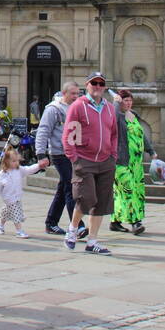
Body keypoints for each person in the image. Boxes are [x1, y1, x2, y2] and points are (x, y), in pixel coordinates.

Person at [61, 72, 119, 255]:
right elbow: (68, 134)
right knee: (86, 198)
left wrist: (113, 155)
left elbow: (114, 134)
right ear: (87, 85)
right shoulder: (78, 106)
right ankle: (72, 229)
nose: (97, 86)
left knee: (101, 203)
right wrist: (74, 158)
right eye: (94, 83)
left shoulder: (109, 108)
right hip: (84, 160)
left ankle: (92, 241)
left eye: (101, 83)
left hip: (105, 161)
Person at [36, 80, 85, 237]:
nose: (76, 96)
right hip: (59, 154)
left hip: (74, 154)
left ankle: (51, 223)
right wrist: (41, 154)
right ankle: (78, 226)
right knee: (71, 187)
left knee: (63, 189)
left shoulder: (77, 108)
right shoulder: (53, 109)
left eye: (78, 93)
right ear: (64, 93)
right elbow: (43, 130)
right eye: (73, 93)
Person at [110, 88, 155, 235]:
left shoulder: (133, 115)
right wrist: (116, 104)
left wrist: (151, 151)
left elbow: (141, 135)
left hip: (136, 163)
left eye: (130, 100)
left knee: (133, 192)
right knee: (128, 191)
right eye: (125, 100)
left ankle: (115, 222)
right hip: (121, 161)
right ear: (119, 101)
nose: (128, 103)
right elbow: (115, 120)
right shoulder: (116, 115)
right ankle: (135, 222)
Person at [0, 147, 47, 237]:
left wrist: (38, 166)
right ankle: (19, 231)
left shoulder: (19, 170)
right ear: (6, 162)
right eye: (13, 161)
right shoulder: (2, 174)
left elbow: (28, 169)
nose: (16, 163)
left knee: (6, 212)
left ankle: (0, 224)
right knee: (16, 214)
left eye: (17, 161)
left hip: (17, 197)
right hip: (9, 198)